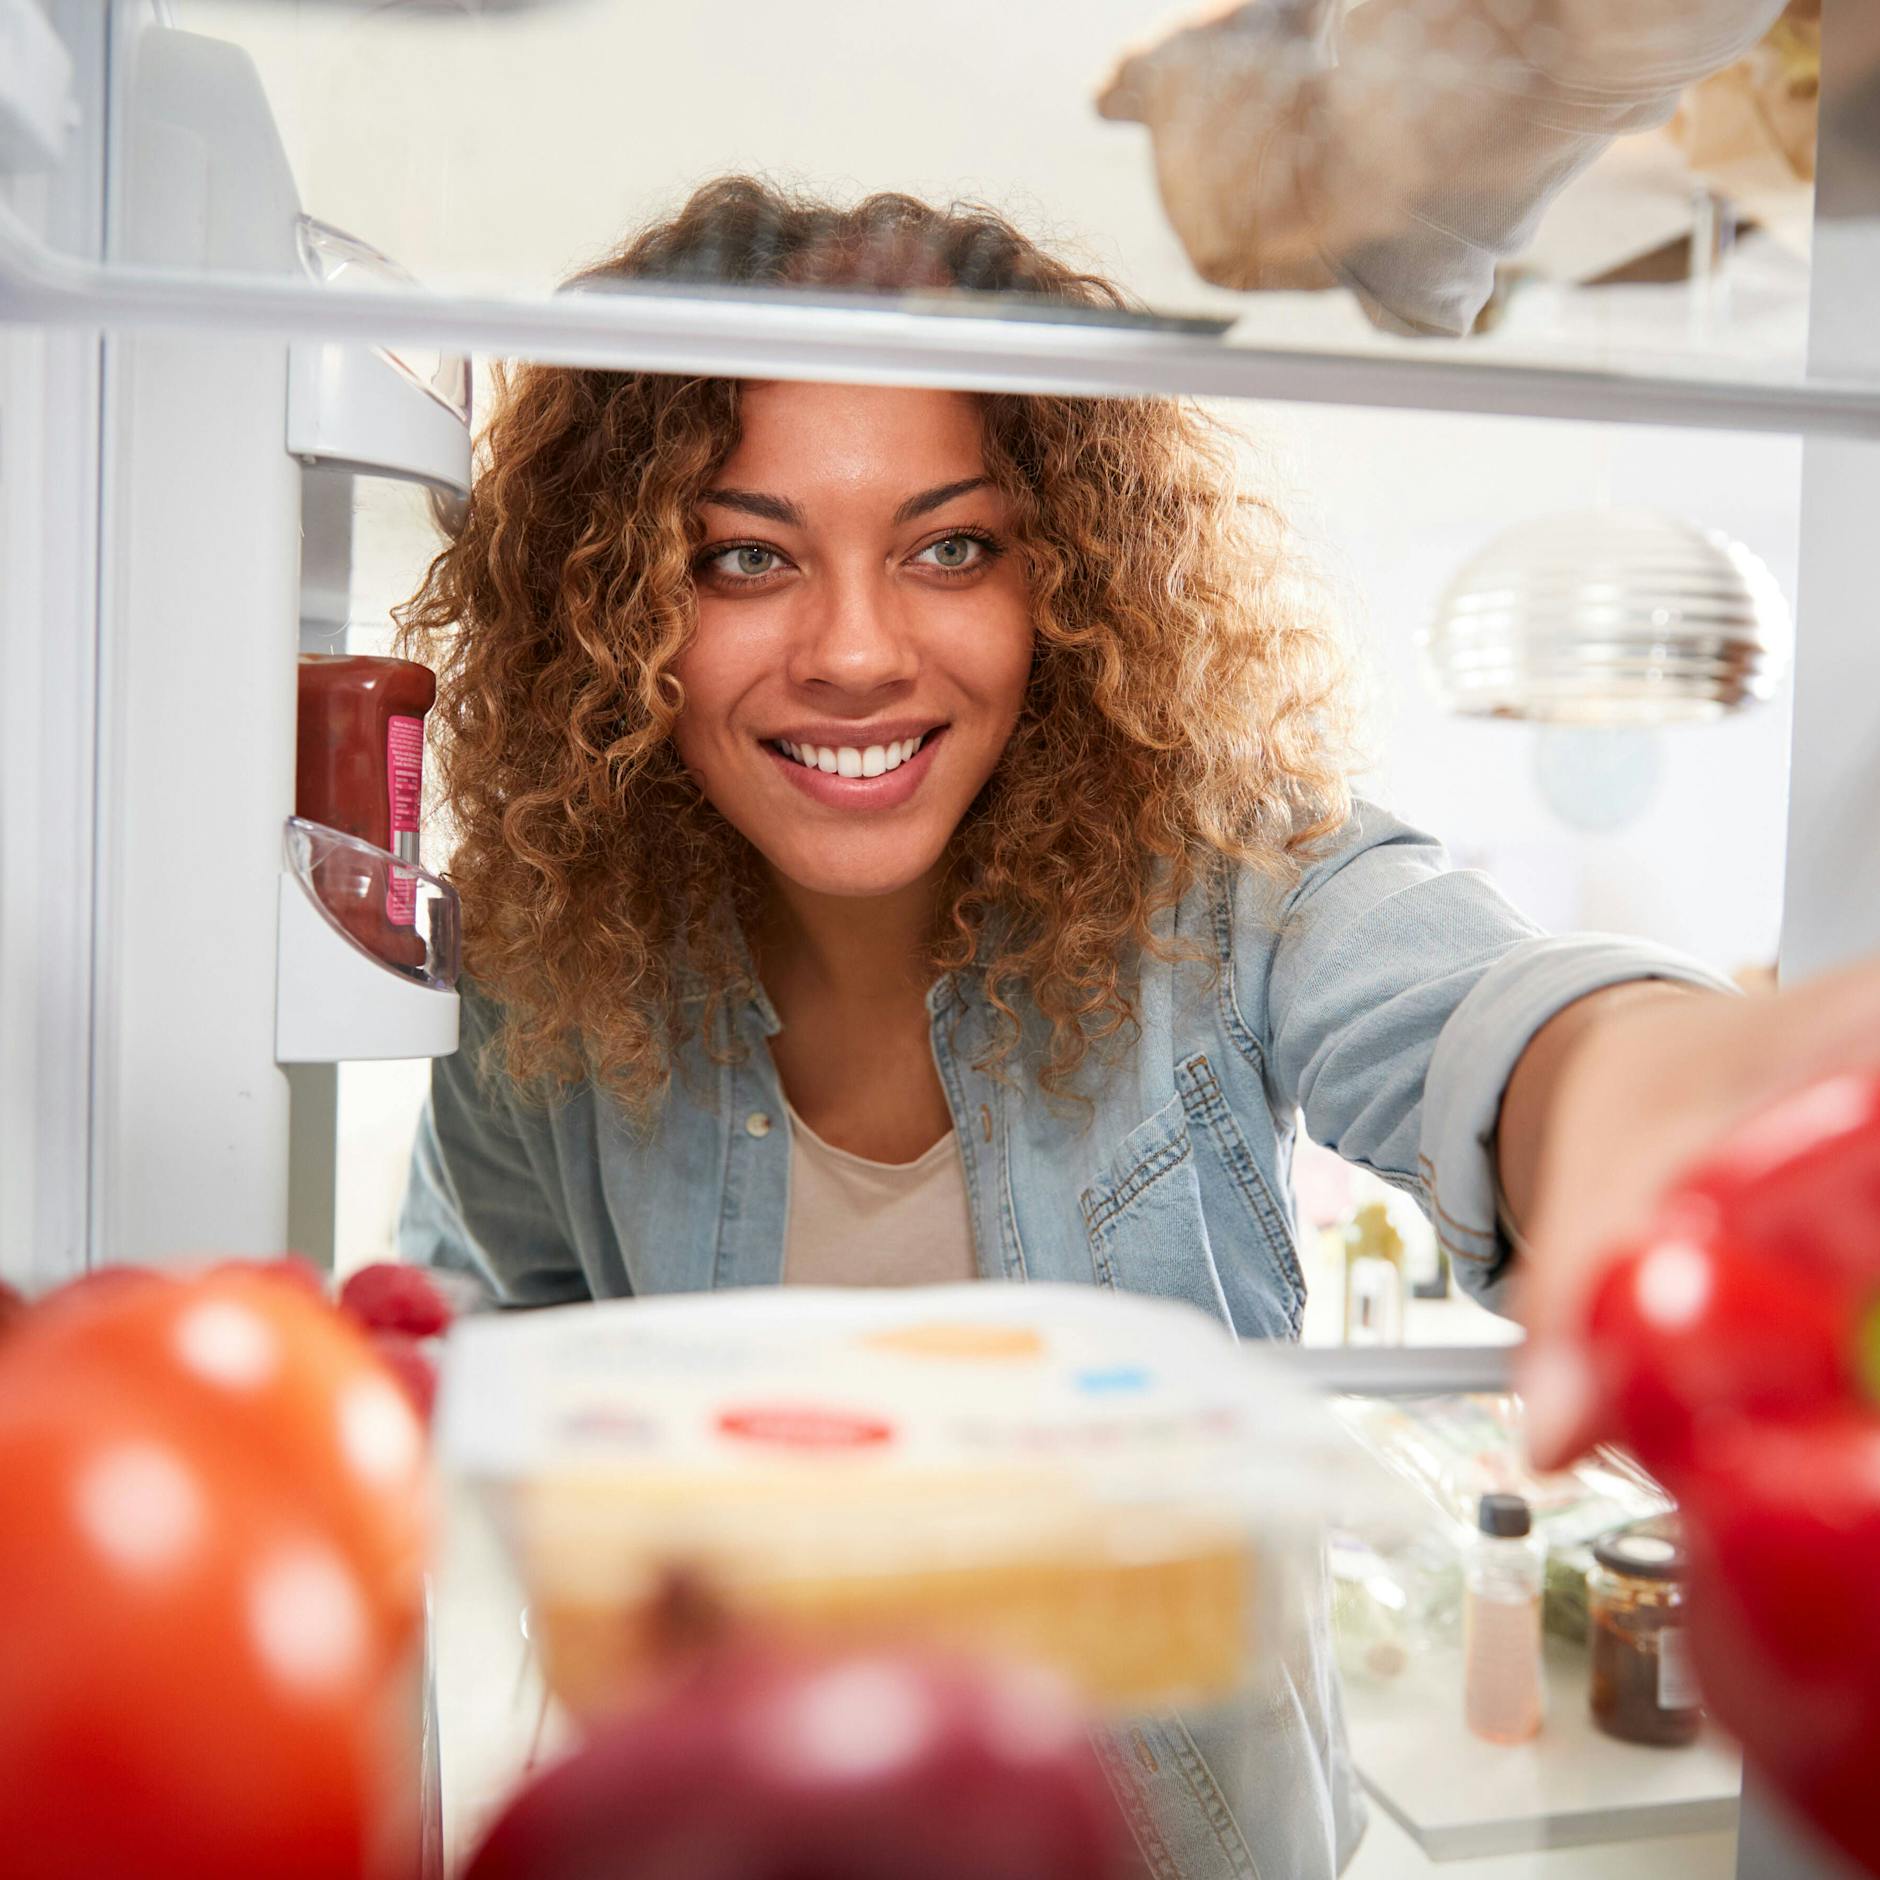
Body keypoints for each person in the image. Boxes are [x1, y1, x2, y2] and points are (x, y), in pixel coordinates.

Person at [397, 176, 1880, 1875]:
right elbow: (527, 1323)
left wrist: (1638, 1075)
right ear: (614, 611)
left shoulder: (1228, 883)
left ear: (1068, 579)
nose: (859, 651)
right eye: (748, 558)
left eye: (952, 547)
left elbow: (1474, 1007)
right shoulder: (542, 971)